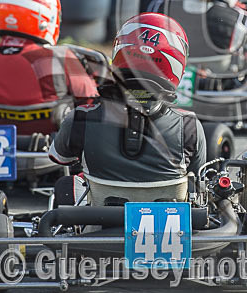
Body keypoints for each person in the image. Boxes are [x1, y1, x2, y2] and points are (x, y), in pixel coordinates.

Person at [48, 13, 206, 205]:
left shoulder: (81, 117)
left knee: (66, 185)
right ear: (176, 62)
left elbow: (60, 157)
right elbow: (199, 181)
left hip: (99, 220)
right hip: (167, 222)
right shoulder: (189, 126)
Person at [0, 0, 98, 136]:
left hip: (1, 133)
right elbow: (91, 102)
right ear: (44, 19)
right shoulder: (60, 57)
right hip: (54, 141)